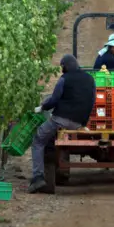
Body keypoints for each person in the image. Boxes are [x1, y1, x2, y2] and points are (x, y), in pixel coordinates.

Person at [28, 54, 96, 194]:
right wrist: (83, 121)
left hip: (61, 119)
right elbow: (92, 100)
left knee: (39, 140)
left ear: (65, 66)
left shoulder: (64, 79)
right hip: (79, 123)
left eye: (62, 67)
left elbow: (54, 99)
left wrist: (42, 107)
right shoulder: (90, 79)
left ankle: (38, 177)